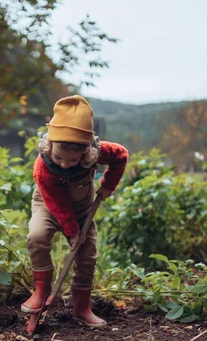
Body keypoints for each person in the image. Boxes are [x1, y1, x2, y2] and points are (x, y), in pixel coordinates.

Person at [21, 95, 129, 327]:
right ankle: (41, 292)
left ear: (87, 151)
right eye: (58, 157)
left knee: (87, 253)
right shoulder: (43, 168)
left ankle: (81, 307)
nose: (64, 164)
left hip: (82, 207)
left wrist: (108, 186)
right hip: (48, 204)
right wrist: (71, 232)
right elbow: (57, 203)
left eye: (73, 160)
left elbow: (121, 156)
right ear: (49, 144)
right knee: (37, 236)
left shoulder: (98, 152)